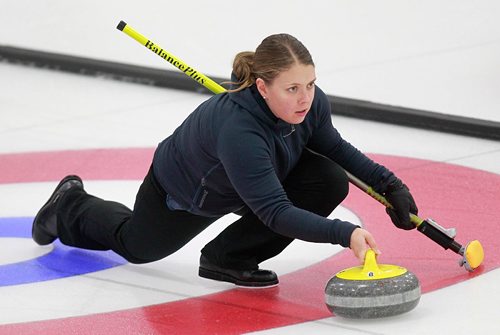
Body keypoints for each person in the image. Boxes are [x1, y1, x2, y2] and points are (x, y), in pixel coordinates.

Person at [32, 33, 418, 288]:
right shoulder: (240, 132)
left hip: (253, 178)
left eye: (311, 84)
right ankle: (70, 204)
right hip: (188, 192)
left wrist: (390, 185)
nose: (306, 98)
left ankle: (228, 257)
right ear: (262, 87)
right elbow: (274, 211)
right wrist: (343, 233)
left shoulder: (308, 105)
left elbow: (335, 147)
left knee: (328, 177)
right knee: (138, 247)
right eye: (293, 88)